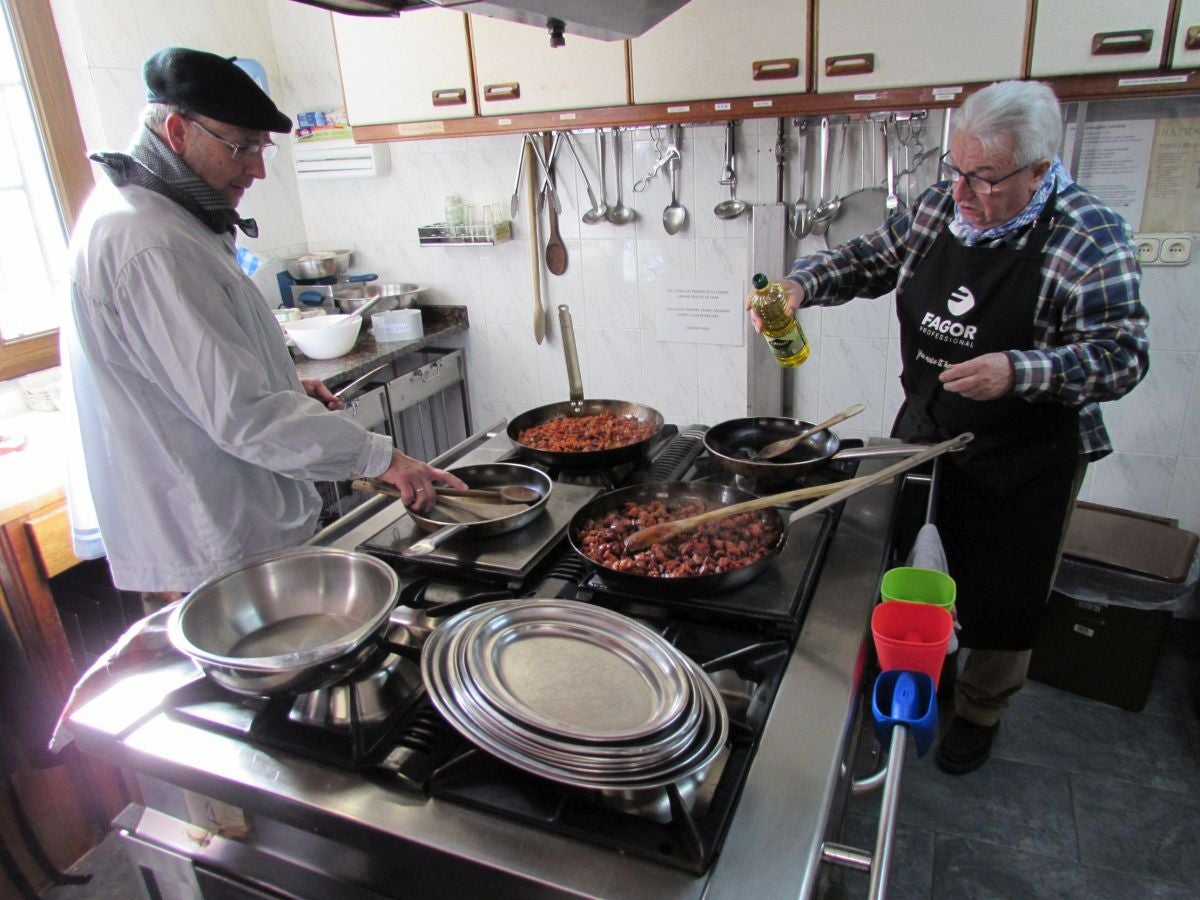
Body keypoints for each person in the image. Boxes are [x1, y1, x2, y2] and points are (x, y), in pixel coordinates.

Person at [750, 80, 1149, 774]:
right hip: (930, 422)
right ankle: (910, 677)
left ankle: (980, 707)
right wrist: (802, 284)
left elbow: (1123, 357)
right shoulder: (941, 207)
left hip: (1026, 450)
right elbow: (867, 258)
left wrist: (1020, 371)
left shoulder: (1088, 235)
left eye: (984, 178)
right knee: (905, 562)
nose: (963, 192)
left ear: (1038, 170)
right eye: (955, 170)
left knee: (1002, 590)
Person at [62, 47, 465, 599]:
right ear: (178, 131)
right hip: (211, 533)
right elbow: (242, 413)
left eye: (262, 149)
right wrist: (383, 458)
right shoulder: (150, 242)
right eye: (242, 147)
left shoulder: (168, 219)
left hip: (227, 519)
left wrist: (283, 380)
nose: (255, 167)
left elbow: (188, 373)